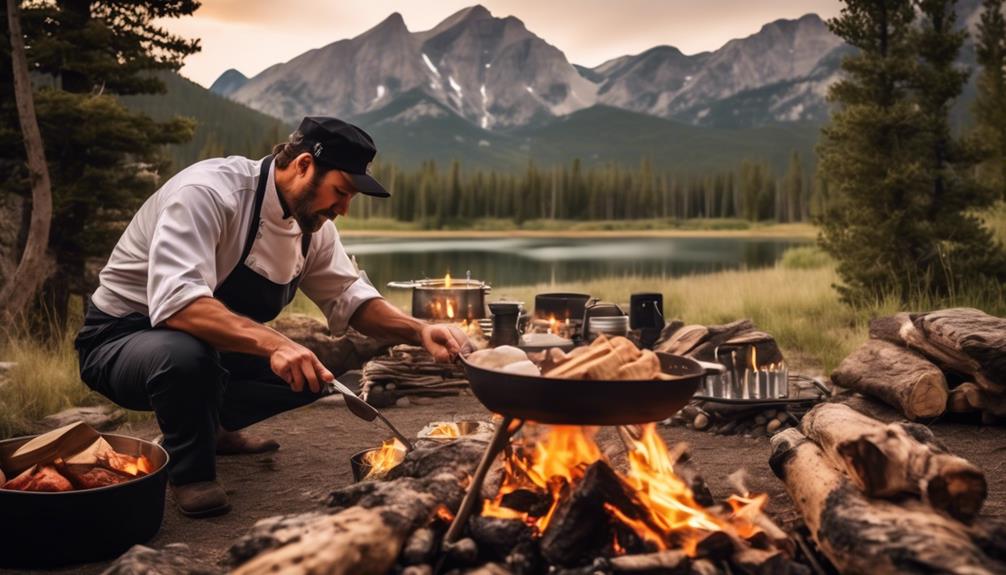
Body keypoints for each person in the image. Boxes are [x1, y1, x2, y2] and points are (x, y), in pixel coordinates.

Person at [74, 117, 469, 517]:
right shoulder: (208, 193)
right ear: (302, 165)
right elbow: (179, 303)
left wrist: (420, 330)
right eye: (341, 192)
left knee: (318, 375)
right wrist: (278, 344)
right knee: (184, 356)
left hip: (205, 344)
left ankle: (212, 429)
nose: (344, 209)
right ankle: (189, 472)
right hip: (120, 338)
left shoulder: (312, 224)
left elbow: (350, 298)